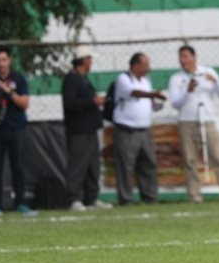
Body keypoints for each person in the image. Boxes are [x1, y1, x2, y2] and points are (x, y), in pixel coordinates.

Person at [169, 45, 219, 203]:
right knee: (190, 159)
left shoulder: (208, 72)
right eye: (181, 57)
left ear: (194, 57)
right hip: (187, 121)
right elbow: (175, 103)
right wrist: (187, 90)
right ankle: (195, 194)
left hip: (207, 119)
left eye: (186, 56)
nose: (183, 60)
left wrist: (215, 82)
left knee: (218, 156)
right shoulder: (176, 78)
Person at [0, 46, 36, 216]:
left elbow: (25, 103)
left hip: (16, 128)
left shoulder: (18, 78)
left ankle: (21, 203)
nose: (1, 64)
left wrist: (10, 93)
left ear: (9, 60)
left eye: (4, 60)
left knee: (18, 167)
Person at [61, 45, 112, 211]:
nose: (91, 62)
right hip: (78, 130)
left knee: (92, 165)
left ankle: (92, 197)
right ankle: (74, 198)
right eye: (89, 59)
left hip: (90, 129)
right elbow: (70, 103)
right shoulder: (71, 79)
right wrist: (92, 101)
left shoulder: (84, 79)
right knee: (77, 164)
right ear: (83, 60)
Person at [112, 52, 167, 205]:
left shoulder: (146, 80)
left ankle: (149, 196)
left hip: (144, 129)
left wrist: (155, 104)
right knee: (126, 165)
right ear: (135, 65)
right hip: (127, 129)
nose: (148, 68)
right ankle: (126, 198)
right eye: (145, 65)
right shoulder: (124, 79)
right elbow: (134, 93)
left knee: (149, 163)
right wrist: (152, 94)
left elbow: (147, 99)